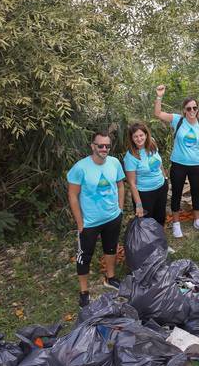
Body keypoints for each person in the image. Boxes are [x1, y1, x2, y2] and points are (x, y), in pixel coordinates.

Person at [67, 131, 125, 308]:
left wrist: (120, 208)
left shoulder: (114, 163)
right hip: (90, 223)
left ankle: (110, 277)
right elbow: (72, 195)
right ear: (93, 146)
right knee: (84, 256)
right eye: (100, 145)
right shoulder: (80, 168)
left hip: (112, 217)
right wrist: (79, 222)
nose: (104, 149)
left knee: (110, 249)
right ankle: (84, 292)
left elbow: (121, 185)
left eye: (107, 146)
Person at [154, 85, 199, 238]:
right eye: (189, 108)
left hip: (196, 165)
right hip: (178, 164)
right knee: (176, 193)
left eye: (194, 108)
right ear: (184, 110)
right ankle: (176, 224)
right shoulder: (177, 120)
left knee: (196, 193)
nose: (192, 111)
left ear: (197, 109)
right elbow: (158, 113)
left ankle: (197, 220)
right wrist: (159, 96)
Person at [124, 122, 168, 227]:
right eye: (135, 136)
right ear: (131, 138)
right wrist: (139, 205)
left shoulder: (152, 143)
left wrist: (165, 178)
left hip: (161, 187)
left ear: (146, 135)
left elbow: (159, 163)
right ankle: (148, 244)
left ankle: (159, 242)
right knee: (146, 225)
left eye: (141, 135)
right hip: (145, 194)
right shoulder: (130, 157)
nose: (139, 139)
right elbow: (132, 183)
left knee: (160, 218)